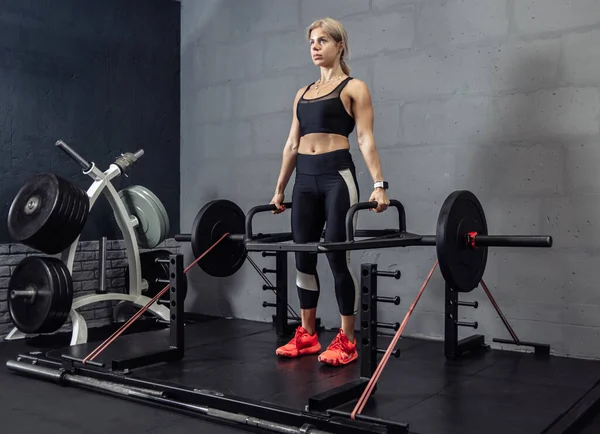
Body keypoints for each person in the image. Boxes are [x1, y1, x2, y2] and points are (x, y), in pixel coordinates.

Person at [269, 17, 390, 367]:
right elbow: (291, 144)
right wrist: (279, 190)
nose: (316, 47)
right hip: (304, 181)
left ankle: (347, 339)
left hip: (337, 177)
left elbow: (365, 139)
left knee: (338, 256)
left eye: (323, 41)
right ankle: (307, 335)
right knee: (303, 256)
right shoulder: (302, 93)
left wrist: (379, 185)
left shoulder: (354, 88)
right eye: (311, 42)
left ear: (340, 45)